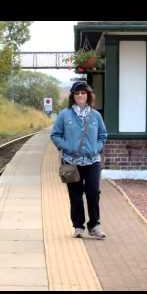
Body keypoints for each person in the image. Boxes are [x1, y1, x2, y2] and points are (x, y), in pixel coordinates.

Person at [50, 80, 108, 239]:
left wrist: (96, 148)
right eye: (77, 93)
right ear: (73, 96)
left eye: (83, 93)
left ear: (88, 95)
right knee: (75, 195)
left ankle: (94, 225)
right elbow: (55, 135)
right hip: (71, 162)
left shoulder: (96, 115)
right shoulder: (64, 115)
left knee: (93, 193)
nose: (80, 95)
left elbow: (103, 135)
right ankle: (78, 226)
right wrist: (67, 146)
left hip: (92, 161)